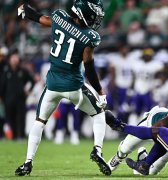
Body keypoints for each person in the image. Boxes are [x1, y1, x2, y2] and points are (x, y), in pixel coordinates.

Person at [15, 0, 120, 176]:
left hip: (52, 85)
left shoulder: (59, 18)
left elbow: (40, 18)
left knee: (39, 122)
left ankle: (27, 163)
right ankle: (97, 150)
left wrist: (24, 10)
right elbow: (89, 67)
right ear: (84, 14)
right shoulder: (89, 36)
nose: (96, 19)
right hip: (74, 87)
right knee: (99, 114)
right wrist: (100, 91)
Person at [0, 51, 35, 140]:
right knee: (10, 117)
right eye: (13, 58)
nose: (14, 60)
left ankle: (21, 136)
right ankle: (14, 136)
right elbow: (2, 85)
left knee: (21, 118)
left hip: (20, 98)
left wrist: (28, 90)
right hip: (8, 99)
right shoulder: (6, 71)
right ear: (10, 60)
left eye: (16, 58)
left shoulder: (23, 71)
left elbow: (32, 81)